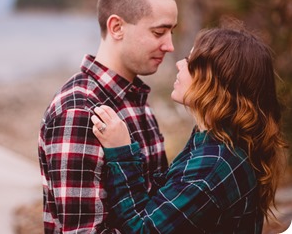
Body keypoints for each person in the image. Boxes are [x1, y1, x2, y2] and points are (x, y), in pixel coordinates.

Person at [91, 24, 288, 233]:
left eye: (191, 62)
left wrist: (121, 152)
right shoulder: (218, 142)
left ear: (215, 81)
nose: (178, 64)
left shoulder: (213, 166)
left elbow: (143, 229)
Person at [38, 0, 178, 233]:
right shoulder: (79, 110)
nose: (169, 45)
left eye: (171, 31)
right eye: (159, 32)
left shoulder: (135, 99)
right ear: (117, 27)